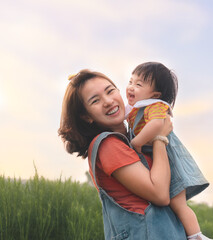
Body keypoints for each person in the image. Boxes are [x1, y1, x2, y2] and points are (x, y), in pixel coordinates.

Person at [58, 69, 187, 239]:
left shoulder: (131, 139)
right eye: (95, 100)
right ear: (86, 116)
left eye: (110, 91)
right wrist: (159, 138)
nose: (108, 101)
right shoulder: (109, 145)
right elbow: (160, 194)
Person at [126, 62, 212, 240]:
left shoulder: (155, 106)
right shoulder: (135, 109)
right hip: (158, 161)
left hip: (170, 162)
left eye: (139, 84)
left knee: (178, 204)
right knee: (170, 204)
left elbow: (157, 124)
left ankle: (197, 236)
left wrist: (137, 142)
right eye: (130, 81)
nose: (131, 87)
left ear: (155, 94)